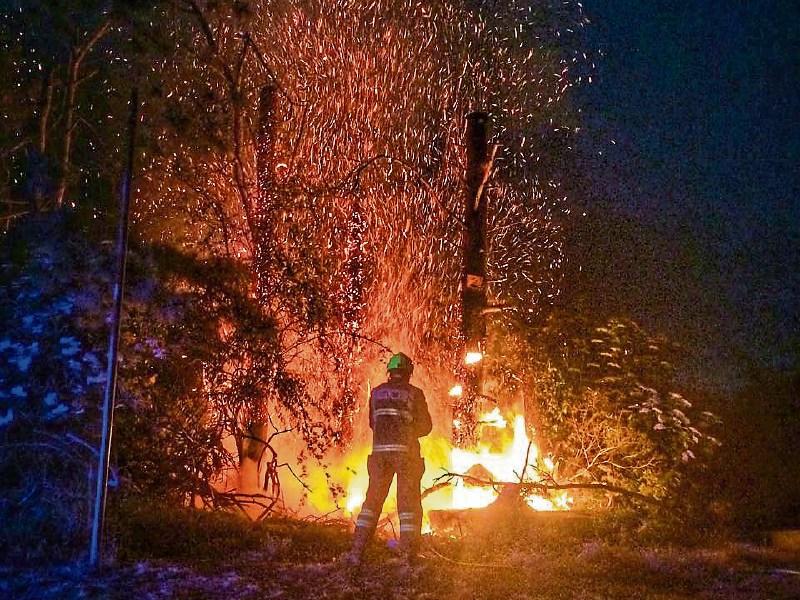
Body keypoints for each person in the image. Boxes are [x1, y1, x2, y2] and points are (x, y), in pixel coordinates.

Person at [344, 352, 432, 567]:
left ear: (390, 372)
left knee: (372, 503)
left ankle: (357, 550)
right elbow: (426, 427)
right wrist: (406, 431)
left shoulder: (376, 393)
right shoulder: (414, 393)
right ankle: (407, 555)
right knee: (408, 505)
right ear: (409, 373)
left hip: (379, 455)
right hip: (405, 455)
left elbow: (373, 423)